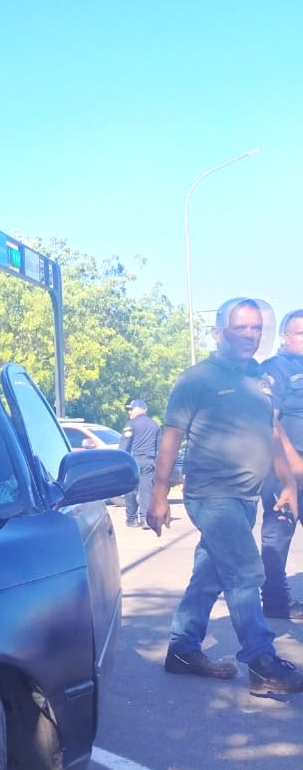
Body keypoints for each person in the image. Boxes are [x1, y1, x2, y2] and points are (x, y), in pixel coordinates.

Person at [146, 297, 303, 696]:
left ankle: (182, 649)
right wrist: (159, 496)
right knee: (246, 573)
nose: (250, 335)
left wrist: (287, 483)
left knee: (210, 575)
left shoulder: (260, 380)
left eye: (255, 328)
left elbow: (272, 433)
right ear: (220, 331)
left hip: (245, 497)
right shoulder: (197, 378)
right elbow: (170, 439)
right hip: (211, 495)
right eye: (241, 328)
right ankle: (261, 662)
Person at [260, 309, 303, 620]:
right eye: (300, 333)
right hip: (284, 467)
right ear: (286, 337)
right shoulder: (275, 369)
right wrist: (293, 462)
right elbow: (269, 418)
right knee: (278, 534)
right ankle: (276, 600)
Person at [119, 399, 160, 527]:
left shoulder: (131, 424)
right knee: (146, 489)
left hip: (134, 461)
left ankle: (131, 519)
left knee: (131, 489)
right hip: (149, 461)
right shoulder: (155, 425)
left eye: (131, 409)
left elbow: (124, 446)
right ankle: (144, 519)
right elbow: (159, 448)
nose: (129, 412)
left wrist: (120, 461)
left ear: (141, 409)